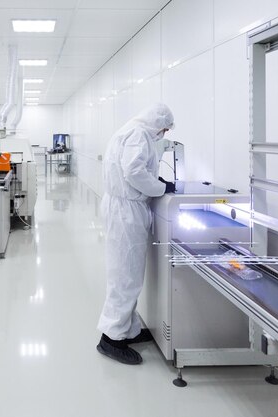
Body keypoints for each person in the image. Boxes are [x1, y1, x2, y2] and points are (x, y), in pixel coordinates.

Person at [96, 103, 176, 365]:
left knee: (128, 272)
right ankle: (111, 339)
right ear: (157, 124)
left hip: (123, 207)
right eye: (164, 129)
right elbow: (134, 171)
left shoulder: (129, 130)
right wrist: (160, 187)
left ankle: (127, 329)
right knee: (125, 275)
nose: (163, 134)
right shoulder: (139, 135)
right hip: (126, 210)